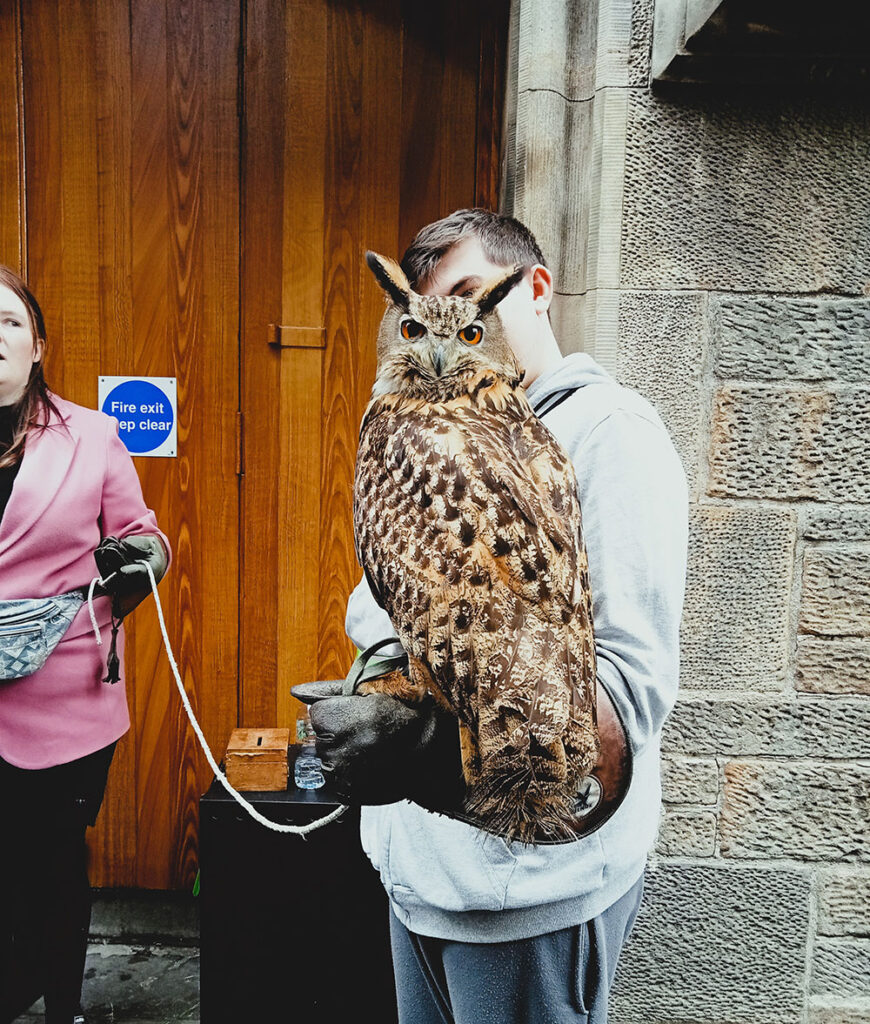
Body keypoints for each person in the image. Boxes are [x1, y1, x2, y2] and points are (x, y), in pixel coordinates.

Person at [293, 209, 688, 1023]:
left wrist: (429, 743)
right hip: (426, 874)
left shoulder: (608, 432)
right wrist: (394, 687)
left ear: (533, 289)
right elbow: (377, 610)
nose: (443, 344)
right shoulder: (414, 434)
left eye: (471, 307)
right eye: (420, 322)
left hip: (529, 893)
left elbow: (627, 688)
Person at [0, 266, 170, 1024]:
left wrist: (140, 564)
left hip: (65, 696)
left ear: (38, 345)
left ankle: (61, 1003)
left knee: (54, 864)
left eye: (8, 323)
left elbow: (144, 539)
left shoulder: (94, 436)